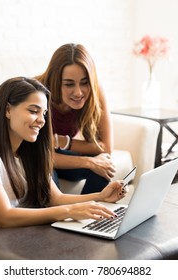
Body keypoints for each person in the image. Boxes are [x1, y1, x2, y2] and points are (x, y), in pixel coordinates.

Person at [0, 77, 128, 237]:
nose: (42, 120)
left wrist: (100, 197)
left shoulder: (28, 150)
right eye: (33, 111)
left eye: (44, 114)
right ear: (8, 110)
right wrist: (70, 211)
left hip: (28, 236)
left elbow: (56, 199)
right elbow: (4, 218)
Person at [36, 43, 115, 194]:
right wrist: (89, 162)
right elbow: (41, 156)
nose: (78, 92)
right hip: (40, 159)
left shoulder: (95, 90)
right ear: (55, 81)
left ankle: (90, 215)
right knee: (45, 170)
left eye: (84, 83)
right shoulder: (37, 92)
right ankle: (61, 214)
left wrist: (62, 141)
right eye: (69, 84)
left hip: (59, 153)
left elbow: (106, 148)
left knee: (104, 165)